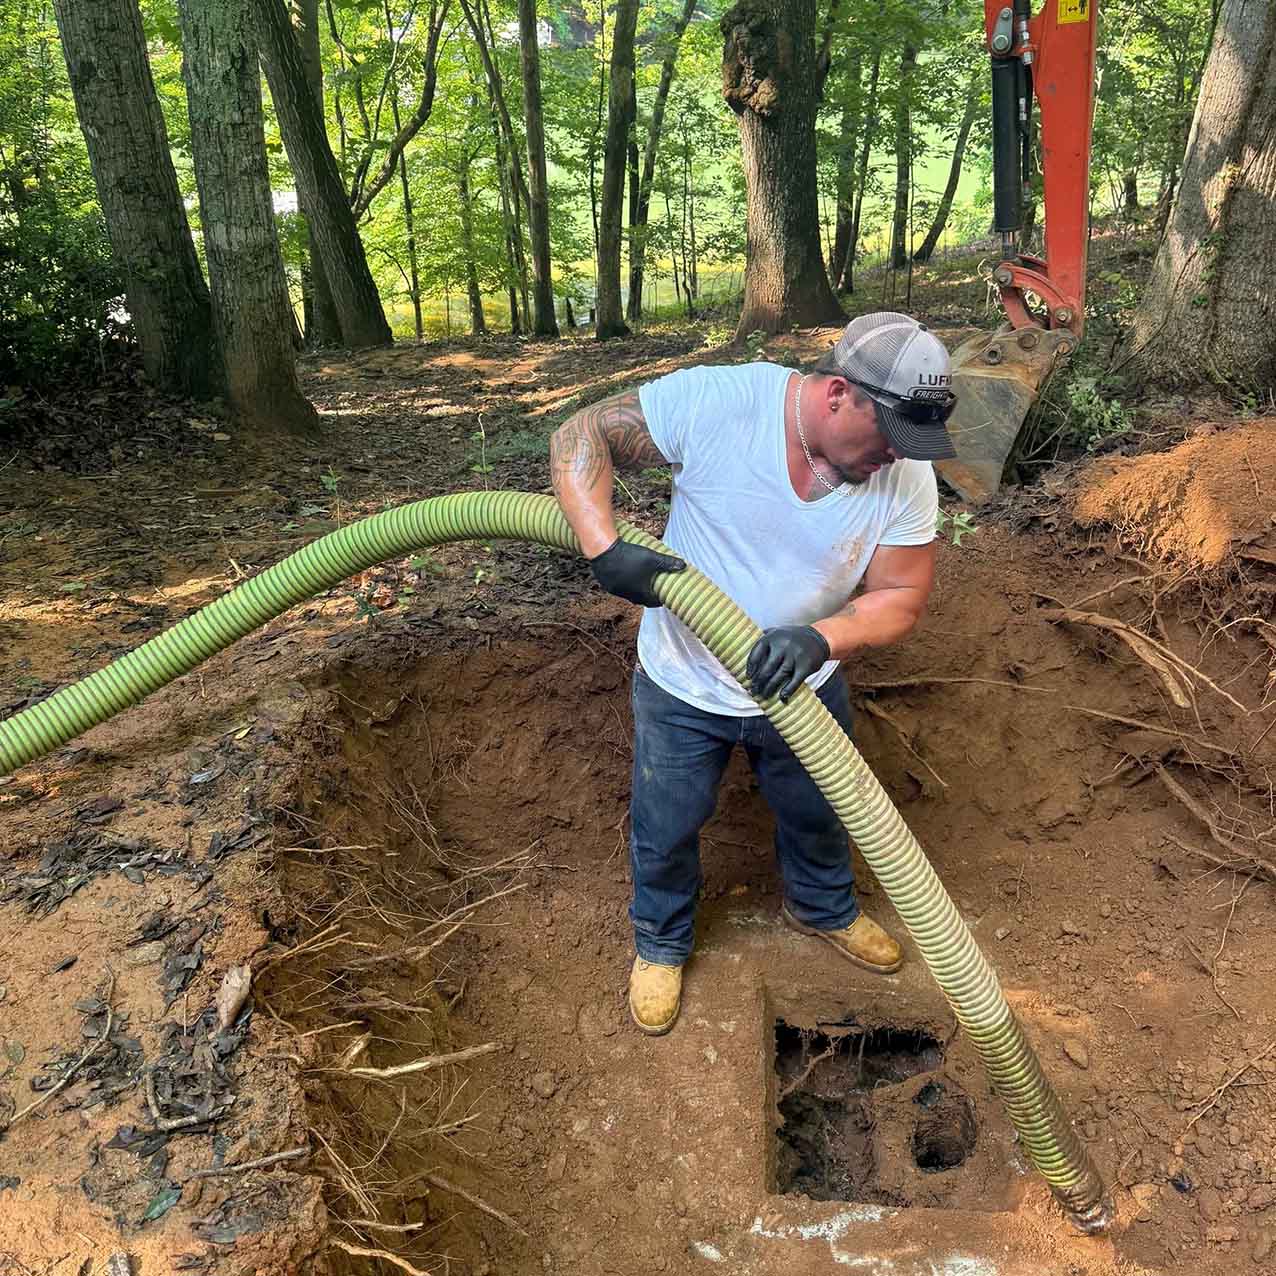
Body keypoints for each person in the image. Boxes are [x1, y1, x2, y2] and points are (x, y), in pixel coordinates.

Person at [550, 311, 956, 1036]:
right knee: (667, 823)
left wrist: (820, 639)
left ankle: (823, 906)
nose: (895, 458)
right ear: (838, 395)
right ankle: (662, 942)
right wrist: (603, 546)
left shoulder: (905, 476)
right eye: (888, 436)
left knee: (818, 810)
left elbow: (900, 597)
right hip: (684, 681)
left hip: (801, 686)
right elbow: (581, 433)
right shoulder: (722, 403)